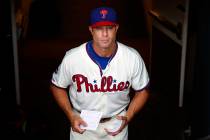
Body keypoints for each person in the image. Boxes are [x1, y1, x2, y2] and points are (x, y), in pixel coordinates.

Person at [50, 6, 150, 140]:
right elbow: (57, 86)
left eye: (109, 28)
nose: (105, 34)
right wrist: (70, 115)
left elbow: (143, 89)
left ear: (116, 28)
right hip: (82, 125)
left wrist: (129, 115)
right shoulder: (72, 58)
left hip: (117, 125)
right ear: (91, 30)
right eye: (99, 28)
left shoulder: (132, 57)